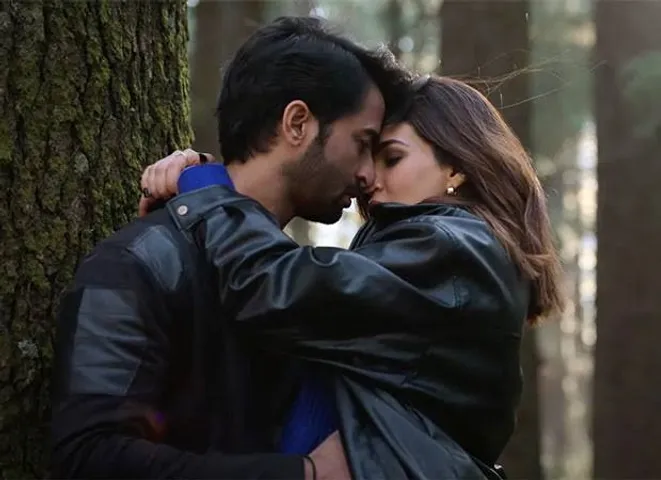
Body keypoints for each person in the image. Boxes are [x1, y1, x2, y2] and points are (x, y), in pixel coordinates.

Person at [139, 75, 565, 479]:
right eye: (366, 156)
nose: (369, 179)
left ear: (455, 167)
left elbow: (276, 288)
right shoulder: (449, 251)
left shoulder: (452, 249)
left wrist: (205, 190)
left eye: (392, 158)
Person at [50, 16, 410, 479]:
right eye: (362, 144)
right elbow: (88, 455)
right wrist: (301, 474)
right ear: (297, 123)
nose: (367, 175)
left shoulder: (299, 284)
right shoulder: (140, 261)